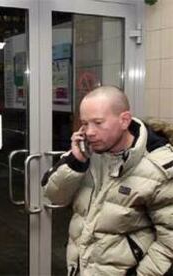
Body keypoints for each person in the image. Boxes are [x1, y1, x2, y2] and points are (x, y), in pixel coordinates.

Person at [42, 86, 173, 276]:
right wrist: (76, 162)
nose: (89, 132)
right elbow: (55, 195)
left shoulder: (158, 168)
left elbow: (169, 244)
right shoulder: (87, 152)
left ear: (124, 120)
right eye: (85, 123)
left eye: (98, 122)